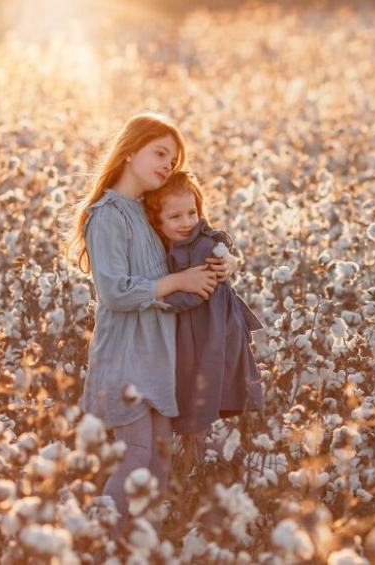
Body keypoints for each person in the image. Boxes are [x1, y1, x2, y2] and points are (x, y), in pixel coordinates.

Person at [64, 113, 232, 537]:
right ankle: (90, 545)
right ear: (129, 151)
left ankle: (136, 549)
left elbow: (198, 235)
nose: (166, 166)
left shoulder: (147, 210)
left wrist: (226, 259)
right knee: (136, 458)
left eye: (172, 161)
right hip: (125, 356)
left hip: (157, 358)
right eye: (159, 154)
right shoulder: (107, 215)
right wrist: (181, 281)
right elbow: (115, 292)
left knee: (158, 463)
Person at [143, 170, 264, 467]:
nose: (186, 222)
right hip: (195, 329)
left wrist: (153, 303)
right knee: (190, 399)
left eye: (191, 213)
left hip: (212, 331)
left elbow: (200, 290)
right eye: (176, 217)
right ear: (156, 220)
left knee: (204, 398)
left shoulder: (206, 245)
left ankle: (228, 467)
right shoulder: (162, 245)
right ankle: (200, 465)